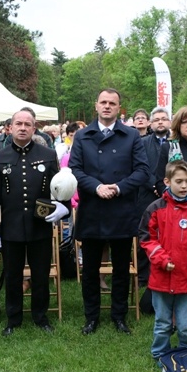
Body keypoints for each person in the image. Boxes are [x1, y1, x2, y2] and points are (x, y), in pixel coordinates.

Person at [68, 88, 149, 335]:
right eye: (103, 102)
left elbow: (143, 171)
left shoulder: (131, 135)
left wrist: (118, 187)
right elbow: (75, 169)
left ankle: (119, 315)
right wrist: (97, 187)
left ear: (118, 108)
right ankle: (91, 317)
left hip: (121, 210)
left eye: (112, 103)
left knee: (121, 269)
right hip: (92, 209)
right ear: (96, 106)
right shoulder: (82, 135)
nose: (107, 106)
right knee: (90, 269)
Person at [0, 110, 69, 336]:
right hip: (11, 227)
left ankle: (40, 317)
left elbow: (60, 186)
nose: (23, 128)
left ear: (34, 128)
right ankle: (13, 319)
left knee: (40, 274)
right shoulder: (0, 156)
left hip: (39, 225)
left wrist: (64, 207)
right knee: (13, 275)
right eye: (18, 124)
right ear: (10, 127)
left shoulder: (47, 153)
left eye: (27, 124)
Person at [139, 160, 187, 365]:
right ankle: (159, 355)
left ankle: (186, 353)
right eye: (179, 181)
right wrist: (161, 258)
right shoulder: (155, 208)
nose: (184, 186)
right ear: (167, 181)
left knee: (186, 324)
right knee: (163, 322)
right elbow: (146, 238)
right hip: (161, 277)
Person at [136, 107, 171, 286]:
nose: (160, 122)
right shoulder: (142, 143)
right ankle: (143, 276)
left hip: (172, 194)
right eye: (156, 119)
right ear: (150, 123)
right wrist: (156, 185)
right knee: (146, 235)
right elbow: (140, 167)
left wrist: (165, 186)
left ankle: (168, 271)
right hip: (147, 194)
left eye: (164, 119)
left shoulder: (176, 142)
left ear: (170, 122)